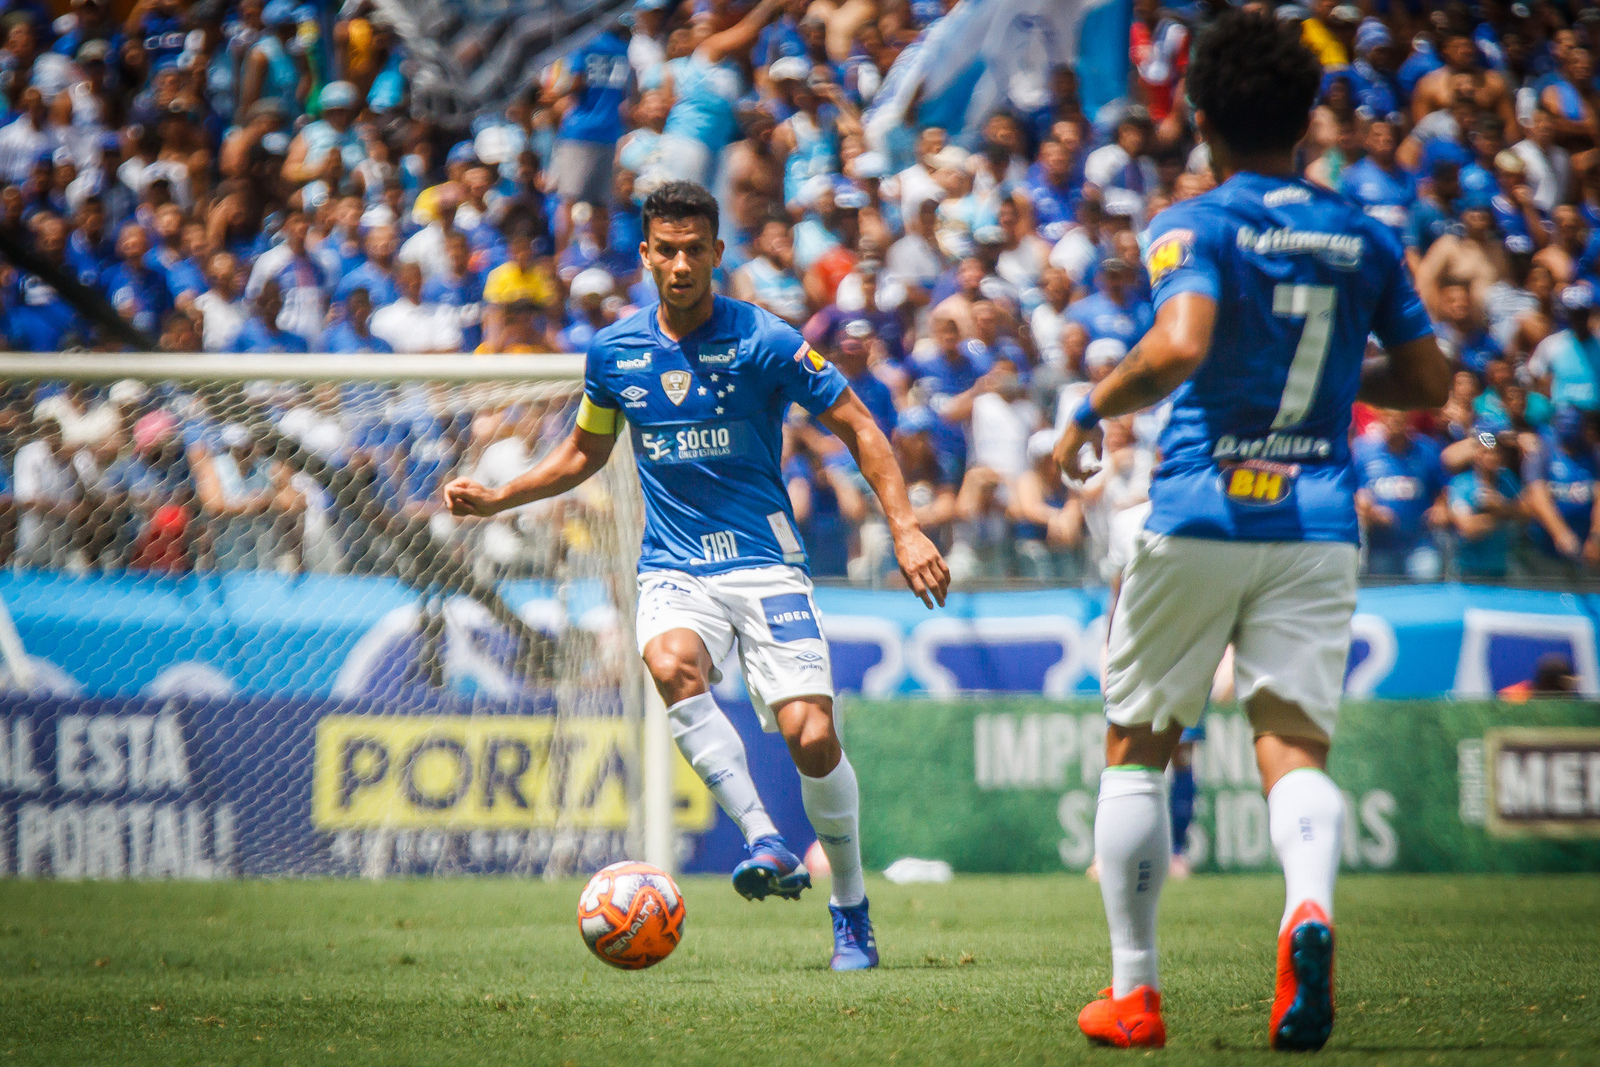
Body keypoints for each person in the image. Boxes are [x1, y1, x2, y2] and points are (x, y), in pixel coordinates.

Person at [1052, 12, 1450, 1051]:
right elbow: (1427, 381)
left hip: (1201, 507)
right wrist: (1317, 386)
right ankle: (1305, 911)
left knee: (1138, 746)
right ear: (1309, 118)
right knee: (1290, 742)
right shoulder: (1363, 235)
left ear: (1199, 117)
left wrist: (1092, 407)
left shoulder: (1197, 221)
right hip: (1319, 517)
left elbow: (1179, 344)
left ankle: (1133, 994)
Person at [444, 181, 949, 971]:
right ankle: (764, 836)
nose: (679, 264)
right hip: (675, 567)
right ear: (645, 255)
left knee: (811, 736)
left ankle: (850, 907)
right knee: (671, 662)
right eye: (665, 250)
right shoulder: (615, 354)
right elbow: (585, 451)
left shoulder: (766, 341)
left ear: (717, 253)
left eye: (693, 250)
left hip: (767, 564)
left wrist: (907, 526)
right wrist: (502, 494)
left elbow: (855, 420)